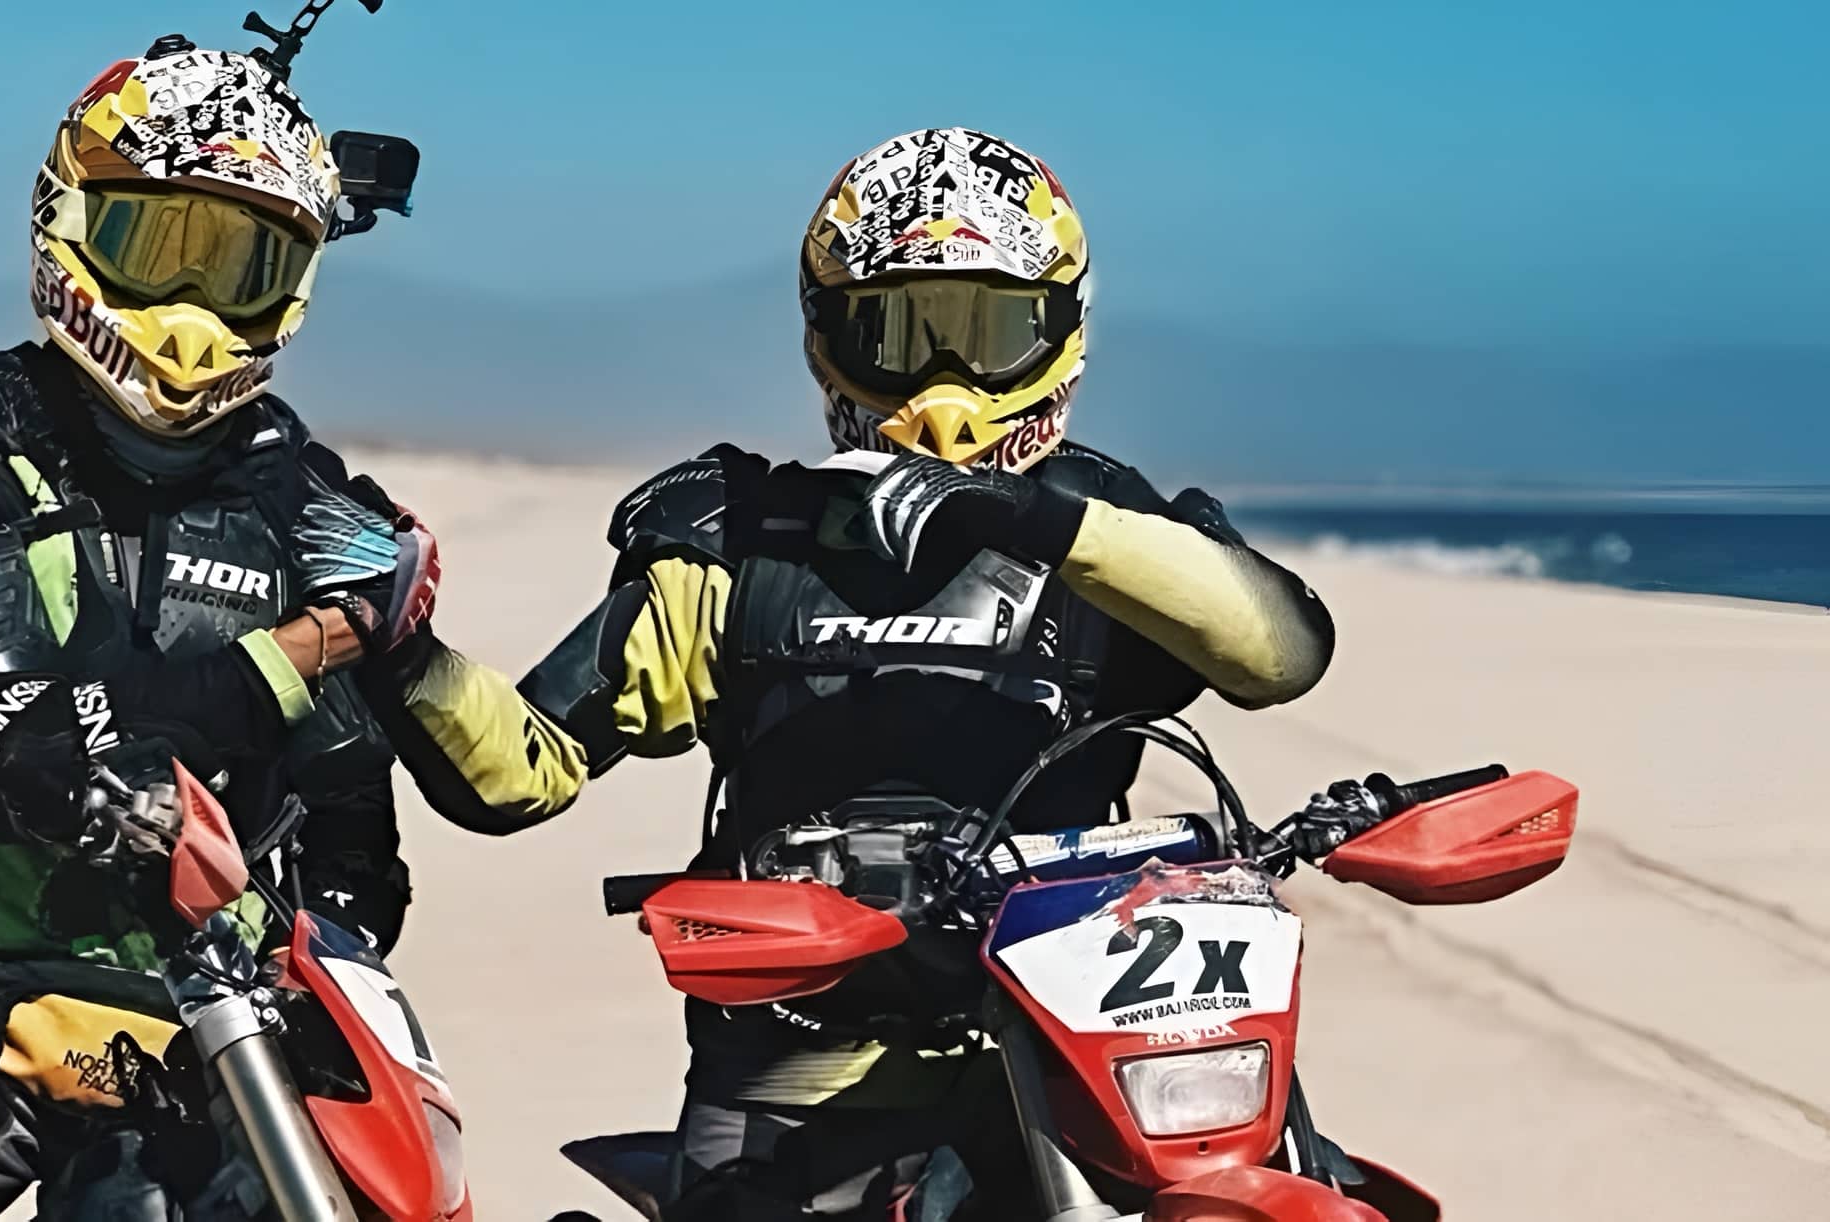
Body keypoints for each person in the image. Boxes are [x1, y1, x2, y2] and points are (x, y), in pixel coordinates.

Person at [378, 128, 1339, 1217]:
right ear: (829, 339)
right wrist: (404, 650)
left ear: (1059, 334)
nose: (944, 388)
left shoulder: (1109, 537)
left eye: (987, 333)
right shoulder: (739, 542)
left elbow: (1283, 651)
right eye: (899, 335)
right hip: (801, 1081)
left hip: (1091, 1064)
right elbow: (519, 770)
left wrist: (1037, 517)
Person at [0, 37, 442, 1218]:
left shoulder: (300, 490)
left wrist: (336, 962)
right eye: (153, 244)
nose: (187, 315)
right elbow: (3, 735)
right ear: (67, 217)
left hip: (220, 1010)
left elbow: (355, 830)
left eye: (233, 265)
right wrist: (298, 652)